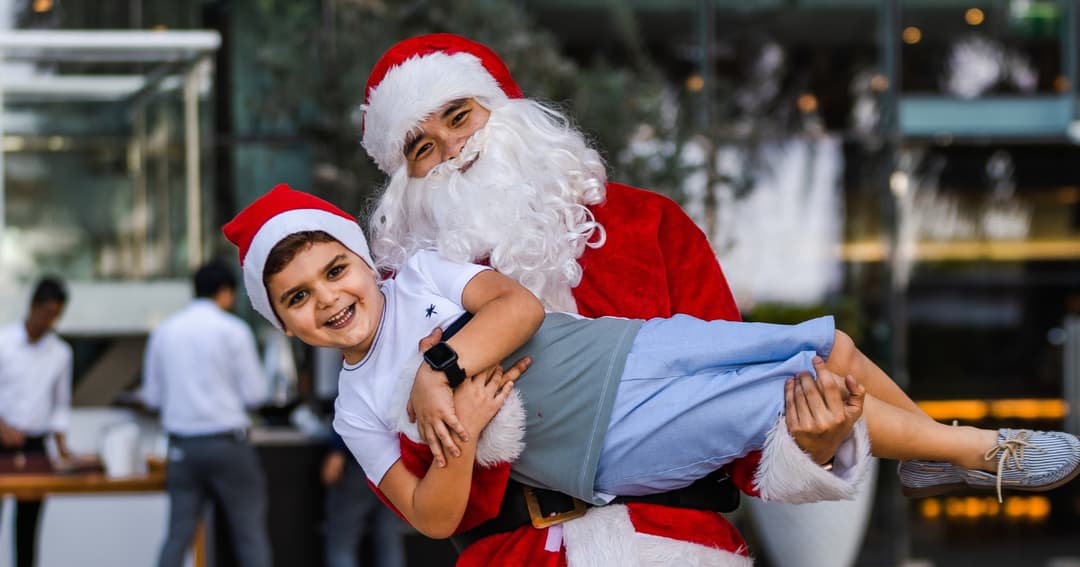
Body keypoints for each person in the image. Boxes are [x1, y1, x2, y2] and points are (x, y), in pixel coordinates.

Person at [357, 34, 1080, 564]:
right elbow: (423, 495)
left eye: (460, 116)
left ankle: (944, 447)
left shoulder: (647, 224)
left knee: (808, 356)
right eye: (419, 147)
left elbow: (742, 441)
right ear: (404, 181)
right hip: (514, 555)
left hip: (679, 546)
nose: (450, 150)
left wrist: (813, 442)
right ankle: (958, 446)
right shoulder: (405, 308)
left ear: (506, 110)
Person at [226, 188, 1080, 551]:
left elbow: (518, 308)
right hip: (598, 438)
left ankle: (933, 447)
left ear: (358, 258)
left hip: (623, 347)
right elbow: (431, 517)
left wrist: (437, 368)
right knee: (778, 396)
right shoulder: (353, 410)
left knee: (821, 346)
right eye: (297, 298)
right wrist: (458, 437)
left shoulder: (418, 275)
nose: (327, 299)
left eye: (333, 271)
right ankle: (979, 452)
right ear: (286, 324)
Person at [141, 261, 273, 567]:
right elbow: (255, 394)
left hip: (182, 447)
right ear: (225, 293)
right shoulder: (234, 330)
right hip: (228, 444)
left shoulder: (165, 331)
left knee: (178, 536)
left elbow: (152, 397)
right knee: (249, 535)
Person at [0, 276, 81, 567]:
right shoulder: (4, 342)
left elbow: (60, 405)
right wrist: (3, 428)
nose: (51, 321)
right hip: (2, 439)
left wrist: (62, 445)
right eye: (47, 313)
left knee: (27, 529)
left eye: (56, 315)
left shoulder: (60, 353)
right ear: (33, 306)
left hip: (35, 444)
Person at [322, 428, 407, 567]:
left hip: (359, 462)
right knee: (388, 538)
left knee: (342, 544)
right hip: (396, 462)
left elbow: (348, 411)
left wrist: (337, 449)